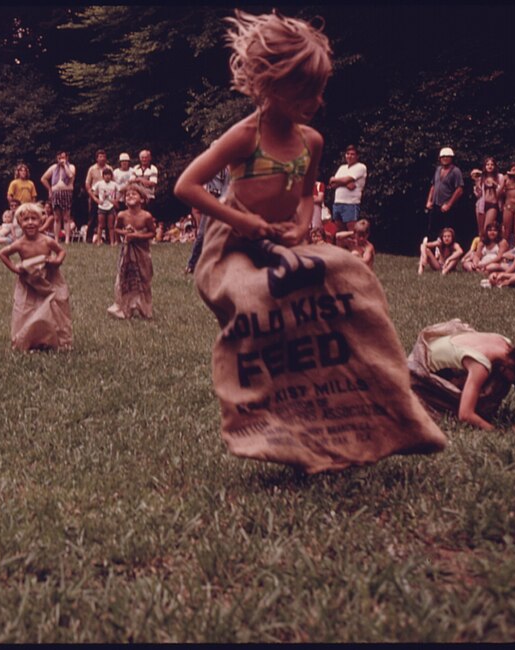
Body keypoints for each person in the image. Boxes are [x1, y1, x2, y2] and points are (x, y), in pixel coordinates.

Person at [173, 10, 446, 473]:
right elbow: (187, 187)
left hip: (282, 242)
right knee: (261, 305)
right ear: (272, 86)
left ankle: (385, 405)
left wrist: (301, 228)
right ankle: (264, 422)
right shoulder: (244, 137)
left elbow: (305, 197)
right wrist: (245, 222)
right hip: (232, 245)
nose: (318, 100)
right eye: (307, 91)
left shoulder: (312, 142)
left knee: (350, 279)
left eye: (321, 90)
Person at [408, 321, 515, 431]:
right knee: (497, 384)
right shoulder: (480, 366)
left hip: (437, 348)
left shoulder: (504, 343)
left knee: (499, 377)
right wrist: (503, 431)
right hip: (419, 370)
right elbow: (465, 414)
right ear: (513, 370)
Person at [0, 202, 72, 351]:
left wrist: (57, 261)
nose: (30, 222)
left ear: (41, 221)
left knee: (54, 306)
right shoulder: (20, 244)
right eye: (26, 219)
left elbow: (61, 251)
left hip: (49, 279)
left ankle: (57, 338)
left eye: (34, 219)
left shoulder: (47, 240)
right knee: (26, 309)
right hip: (29, 281)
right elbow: (2, 254)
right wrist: (16, 269)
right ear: (19, 222)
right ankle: (28, 339)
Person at [107, 183, 155, 319]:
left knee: (144, 278)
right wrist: (125, 232)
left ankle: (145, 309)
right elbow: (116, 229)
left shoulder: (146, 216)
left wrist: (138, 235)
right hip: (127, 250)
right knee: (124, 277)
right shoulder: (122, 215)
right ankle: (124, 308)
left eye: (134, 194)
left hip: (142, 252)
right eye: (127, 195)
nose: (130, 196)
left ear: (142, 199)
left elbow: (153, 233)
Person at [424, 147, 464, 239]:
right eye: (443, 156)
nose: (445, 158)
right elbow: (433, 185)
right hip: (436, 205)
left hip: (447, 207)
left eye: (447, 156)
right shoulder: (438, 169)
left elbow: (459, 190)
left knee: (447, 232)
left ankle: (447, 253)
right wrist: (429, 201)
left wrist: (449, 204)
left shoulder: (455, 171)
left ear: (451, 158)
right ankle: (432, 252)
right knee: (432, 230)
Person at [328, 144, 366, 232]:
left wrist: (336, 180)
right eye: (348, 154)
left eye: (352, 154)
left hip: (351, 204)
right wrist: (345, 183)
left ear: (357, 156)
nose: (349, 156)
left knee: (351, 232)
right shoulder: (342, 168)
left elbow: (345, 180)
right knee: (339, 233)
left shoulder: (361, 167)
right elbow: (332, 184)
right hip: (337, 203)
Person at [40, 151, 76, 244]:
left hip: (66, 192)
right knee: (56, 217)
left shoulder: (71, 167)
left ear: (67, 158)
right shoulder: (53, 167)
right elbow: (43, 178)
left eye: (63, 158)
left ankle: (67, 240)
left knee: (66, 217)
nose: (61, 160)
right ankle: (56, 240)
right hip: (56, 193)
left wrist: (64, 165)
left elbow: (70, 175)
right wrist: (49, 189)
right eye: (60, 158)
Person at [470, 157, 504, 239]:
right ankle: (481, 250)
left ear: (495, 166)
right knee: (481, 231)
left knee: (487, 229)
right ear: (485, 166)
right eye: (487, 164)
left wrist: (494, 184)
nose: (490, 166)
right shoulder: (481, 177)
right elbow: (478, 195)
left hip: (493, 204)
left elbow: (502, 193)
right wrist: (476, 183)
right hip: (481, 205)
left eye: (492, 164)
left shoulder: (499, 177)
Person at [84, 149, 112, 241]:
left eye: (104, 157)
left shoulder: (109, 168)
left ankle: (108, 239)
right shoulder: (92, 169)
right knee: (92, 218)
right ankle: (88, 238)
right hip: (95, 196)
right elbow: (88, 184)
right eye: (100, 157)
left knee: (108, 218)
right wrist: (92, 197)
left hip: (107, 197)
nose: (102, 158)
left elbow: (113, 183)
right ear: (97, 158)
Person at [91, 166, 119, 245]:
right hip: (102, 206)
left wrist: (116, 200)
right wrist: (96, 199)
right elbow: (92, 191)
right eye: (105, 175)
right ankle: (99, 241)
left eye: (109, 175)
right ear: (103, 176)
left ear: (111, 176)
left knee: (111, 225)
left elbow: (120, 191)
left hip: (110, 206)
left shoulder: (114, 184)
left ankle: (112, 242)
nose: (107, 176)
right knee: (100, 225)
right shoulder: (99, 184)